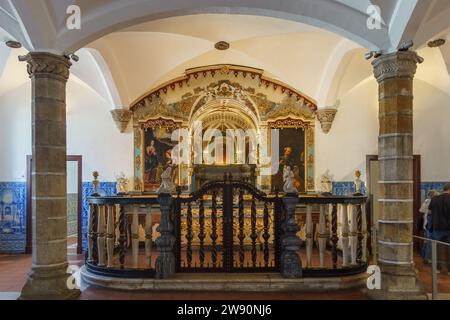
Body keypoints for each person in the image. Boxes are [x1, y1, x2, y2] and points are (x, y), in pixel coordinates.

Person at [429, 184, 450, 273]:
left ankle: (437, 268)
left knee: (436, 249)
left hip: (437, 227)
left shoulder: (434, 199)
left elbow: (429, 212)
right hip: (449, 228)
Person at [419, 189, 440, 263]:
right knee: (429, 241)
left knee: (427, 241)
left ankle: (424, 256)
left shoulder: (427, 201)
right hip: (430, 224)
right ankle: (427, 258)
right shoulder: (429, 201)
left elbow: (422, 211)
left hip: (427, 223)